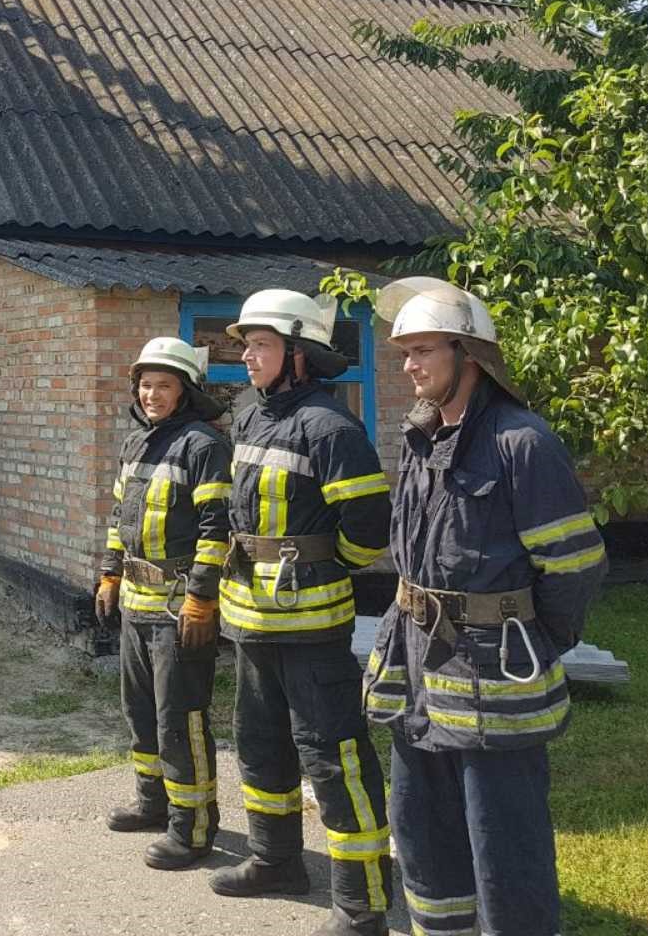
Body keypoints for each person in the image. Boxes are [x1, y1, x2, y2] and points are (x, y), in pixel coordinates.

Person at [364, 278, 607, 936]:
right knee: (422, 832)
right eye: (404, 353)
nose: (409, 367)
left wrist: (535, 637)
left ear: (468, 354)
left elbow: (575, 565)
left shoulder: (523, 443)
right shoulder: (419, 439)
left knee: (505, 847)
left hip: (495, 681)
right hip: (417, 670)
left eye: (422, 351)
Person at [209, 290, 392, 936]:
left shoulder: (330, 428)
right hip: (251, 621)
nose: (246, 356)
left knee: (332, 757)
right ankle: (276, 861)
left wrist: (317, 563)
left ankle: (362, 903)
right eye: (246, 345)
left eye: (260, 345)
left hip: (311, 627)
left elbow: (368, 530)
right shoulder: (249, 415)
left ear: (299, 354)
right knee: (259, 745)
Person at [95, 337, 233, 869]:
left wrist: (201, 598)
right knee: (140, 712)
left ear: (186, 391)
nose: (151, 394)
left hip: (178, 609)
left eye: (164, 385)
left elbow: (216, 528)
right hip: (136, 602)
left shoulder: (203, 446)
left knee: (180, 718)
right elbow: (118, 516)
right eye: (145, 385)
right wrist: (110, 574)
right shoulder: (136, 443)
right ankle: (153, 803)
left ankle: (192, 827)